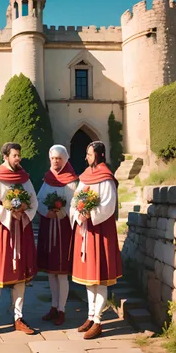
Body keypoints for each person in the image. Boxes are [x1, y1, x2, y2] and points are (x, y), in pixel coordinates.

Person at [0, 142, 39, 336]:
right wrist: (8, 211)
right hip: (2, 231)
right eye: (15, 155)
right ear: (5, 157)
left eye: (19, 155)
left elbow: (34, 201)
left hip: (21, 230)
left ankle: (18, 317)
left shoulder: (24, 178)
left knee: (19, 276)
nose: (18, 158)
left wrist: (23, 211)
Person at [70, 141, 123, 340]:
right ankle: (90, 315)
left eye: (90, 154)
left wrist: (90, 214)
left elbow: (108, 205)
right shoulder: (85, 176)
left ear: (100, 155)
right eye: (86, 154)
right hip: (85, 231)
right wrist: (78, 213)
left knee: (99, 277)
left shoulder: (106, 178)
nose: (86, 157)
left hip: (101, 231)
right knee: (88, 277)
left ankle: (99, 320)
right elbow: (76, 198)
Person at [36, 145, 78, 326]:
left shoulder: (71, 180)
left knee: (61, 273)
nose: (55, 161)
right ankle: (53, 306)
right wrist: (47, 212)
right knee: (51, 273)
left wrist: (61, 213)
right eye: (53, 158)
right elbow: (38, 200)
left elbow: (74, 203)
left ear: (65, 159)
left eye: (59, 158)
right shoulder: (48, 178)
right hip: (48, 226)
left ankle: (62, 309)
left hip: (63, 230)